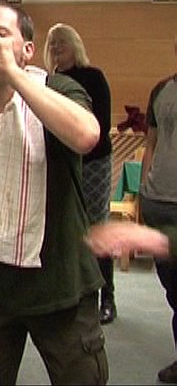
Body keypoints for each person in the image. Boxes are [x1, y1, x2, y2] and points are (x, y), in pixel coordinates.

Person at [0, 3, 108, 384]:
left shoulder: (58, 90)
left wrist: (12, 73)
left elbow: (86, 136)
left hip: (59, 282)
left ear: (28, 50)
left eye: (0, 33)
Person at [44, 22, 116, 325]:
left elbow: (100, 125)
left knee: (96, 228)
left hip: (93, 164)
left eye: (62, 42)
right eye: (53, 43)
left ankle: (107, 297)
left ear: (75, 45)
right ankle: (73, 294)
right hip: (60, 165)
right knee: (66, 228)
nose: (57, 48)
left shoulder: (93, 77)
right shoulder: (47, 82)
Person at [118, 35, 177, 384]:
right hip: (160, 202)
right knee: (173, 289)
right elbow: (151, 142)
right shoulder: (162, 90)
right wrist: (143, 191)